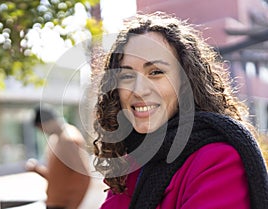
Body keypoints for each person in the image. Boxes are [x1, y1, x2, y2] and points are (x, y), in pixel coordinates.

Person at [91, 12, 268, 209]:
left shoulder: (217, 159)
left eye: (156, 72)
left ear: (186, 82)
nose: (138, 90)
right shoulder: (131, 162)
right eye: (126, 76)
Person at [26, 107, 90, 209]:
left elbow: (84, 176)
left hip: (63, 205)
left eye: (41, 127)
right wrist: (37, 169)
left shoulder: (68, 138)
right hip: (54, 203)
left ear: (47, 122)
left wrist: (73, 206)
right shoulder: (55, 138)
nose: (43, 131)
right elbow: (56, 177)